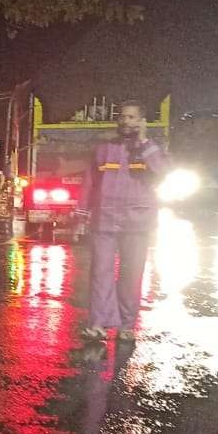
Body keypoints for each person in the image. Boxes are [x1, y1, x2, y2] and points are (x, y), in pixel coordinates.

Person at [77, 99, 168, 342]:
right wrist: (82, 211)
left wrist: (145, 142)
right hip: (104, 219)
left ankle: (127, 325)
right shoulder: (105, 148)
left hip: (137, 222)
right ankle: (97, 323)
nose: (125, 121)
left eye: (131, 117)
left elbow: (162, 171)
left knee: (132, 274)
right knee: (100, 272)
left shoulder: (151, 149)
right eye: (122, 117)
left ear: (141, 120)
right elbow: (90, 180)